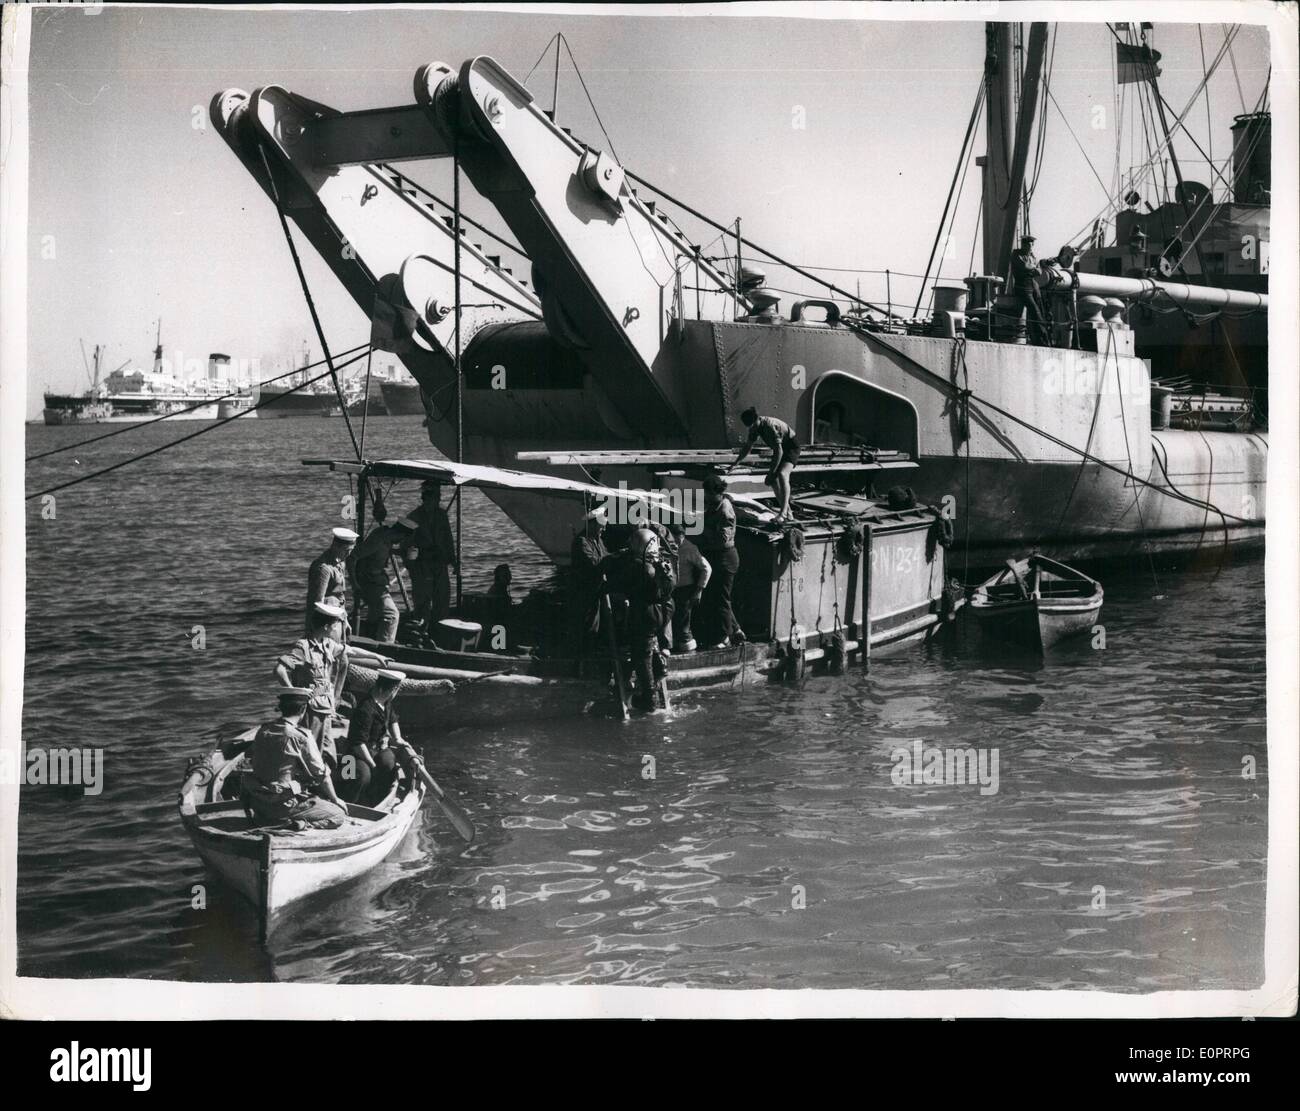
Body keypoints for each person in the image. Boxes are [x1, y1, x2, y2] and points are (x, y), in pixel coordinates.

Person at [242, 686, 349, 829]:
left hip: (258, 803)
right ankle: (299, 824)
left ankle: (270, 819)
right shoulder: (300, 736)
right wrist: (335, 799)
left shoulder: (263, 730)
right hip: (283, 807)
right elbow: (321, 774)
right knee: (338, 815)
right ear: (303, 710)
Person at [600, 527, 675, 711]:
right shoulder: (662, 563)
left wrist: (602, 586)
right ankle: (661, 668)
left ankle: (650, 701)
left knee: (642, 656)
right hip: (663, 610)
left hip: (645, 612)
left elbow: (617, 583)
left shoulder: (639, 567)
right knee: (650, 643)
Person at [275, 602, 349, 754]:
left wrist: (378, 656)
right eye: (334, 625)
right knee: (311, 750)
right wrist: (294, 695)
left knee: (329, 752)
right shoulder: (303, 647)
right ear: (326, 627)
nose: (336, 629)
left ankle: (325, 774)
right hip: (312, 710)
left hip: (326, 709)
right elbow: (280, 670)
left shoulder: (327, 644)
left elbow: (350, 650)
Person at [337, 668, 415, 806]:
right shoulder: (365, 709)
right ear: (391, 690)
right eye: (395, 690)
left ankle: (374, 801)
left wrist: (398, 739)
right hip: (354, 753)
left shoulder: (385, 703)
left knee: (388, 763)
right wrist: (372, 765)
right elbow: (357, 743)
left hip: (376, 748)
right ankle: (346, 803)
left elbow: (393, 720)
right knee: (361, 775)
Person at [404, 481, 457, 638]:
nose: (438, 499)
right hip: (422, 566)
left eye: (438, 496)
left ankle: (439, 634)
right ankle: (420, 637)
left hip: (440, 564)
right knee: (422, 604)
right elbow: (407, 545)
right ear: (426, 497)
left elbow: (448, 538)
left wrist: (453, 560)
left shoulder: (441, 515)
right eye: (435, 496)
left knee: (442, 600)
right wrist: (413, 568)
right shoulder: (413, 517)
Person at [697, 474, 744, 649]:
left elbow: (723, 538)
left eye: (707, 493)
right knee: (717, 597)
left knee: (722, 599)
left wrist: (704, 532)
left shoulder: (725, 510)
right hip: (717, 557)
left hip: (725, 558)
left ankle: (724, 637)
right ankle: (736, 629)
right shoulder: (715, 505)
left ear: (715, 492)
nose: (705, 496)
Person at [351, 516, 415, 643]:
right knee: (391, 615)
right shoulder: (378, 540)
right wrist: (354, 584)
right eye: (402, 539)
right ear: (399, 534)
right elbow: (352, 557)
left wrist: (400, 552)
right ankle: (386, 648)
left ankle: (372, 641)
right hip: (369, 584)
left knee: (375, 615)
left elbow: (384, 549)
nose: (400, 541)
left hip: (377, 582)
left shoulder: (385, 536)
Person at [730, 408, 801, 520]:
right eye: (750, 427)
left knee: (782, 475)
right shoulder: (755, 427)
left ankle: (782, 513)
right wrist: (736, 462)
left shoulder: (770, 426)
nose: (752, 428)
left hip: (791, 447)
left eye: (753, 426)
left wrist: (771, 472)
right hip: (780, 449)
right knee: (773, 481)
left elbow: (779, 451)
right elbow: (747, 447)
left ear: (757, 419)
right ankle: (788, 512)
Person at [568, 507, 609, 650]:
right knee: (588, 623)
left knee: (595, 622)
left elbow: (605, 556)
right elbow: (595, 564)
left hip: (595, 590)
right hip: (584, 590)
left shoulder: (597, 540)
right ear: (592, 525)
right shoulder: (582, 542)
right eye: (601, 527)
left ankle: (592, 648)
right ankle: (585, 656)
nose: (603, 530)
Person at [667, 522, 711, 653]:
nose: (676, 543)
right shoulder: (665, 546)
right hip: (670, 589)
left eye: (679, 539)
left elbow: (707, 569)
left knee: (683, 621)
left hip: (685, 589)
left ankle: (688, 649)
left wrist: (699, 590)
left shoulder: (690, 548)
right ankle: (671, 645)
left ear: (683, 536)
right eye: (674, 539)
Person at [305, 527, 357, 635]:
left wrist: (345, 620)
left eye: (351, 551)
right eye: (346, 550)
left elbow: (340, 596)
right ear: (335, 546)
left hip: (338, 618)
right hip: (326, 624)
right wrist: (315, 631)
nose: (348, 554)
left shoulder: (340, 563)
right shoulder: (323, 568)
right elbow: (316, 602)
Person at [1009, 233, 1050, 346]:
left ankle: (1039, 337)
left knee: (1041, 309)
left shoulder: (1032, 256)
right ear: (1024, 244)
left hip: (1033, 285)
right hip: (1022, 287)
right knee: (1035, 311)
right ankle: (1043, 340)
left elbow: (1039, 271)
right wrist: (1033, 268)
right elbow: (1025, 266)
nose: (1031, 246)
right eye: (1029, 243)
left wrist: (1032, 269)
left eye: (1032, 244)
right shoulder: (1016, 254)